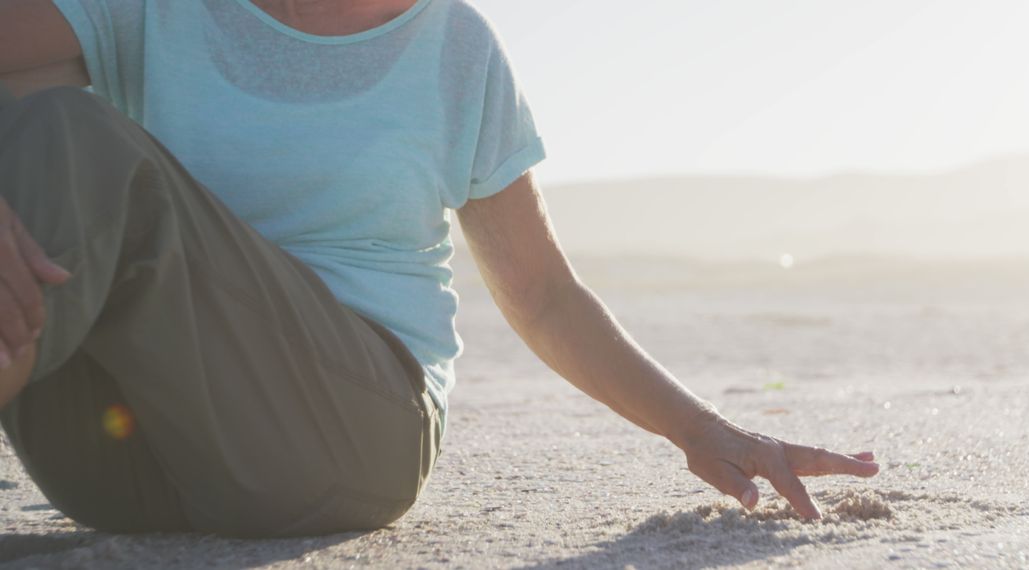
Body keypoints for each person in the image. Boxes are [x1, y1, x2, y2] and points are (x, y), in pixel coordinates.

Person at [0, 0, 879, 538]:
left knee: (62, 133)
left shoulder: (454, 47)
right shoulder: (153, 5)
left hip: (346, 436)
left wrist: (704, 429)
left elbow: (542, 295)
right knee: (31, 124)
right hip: (123, 462)